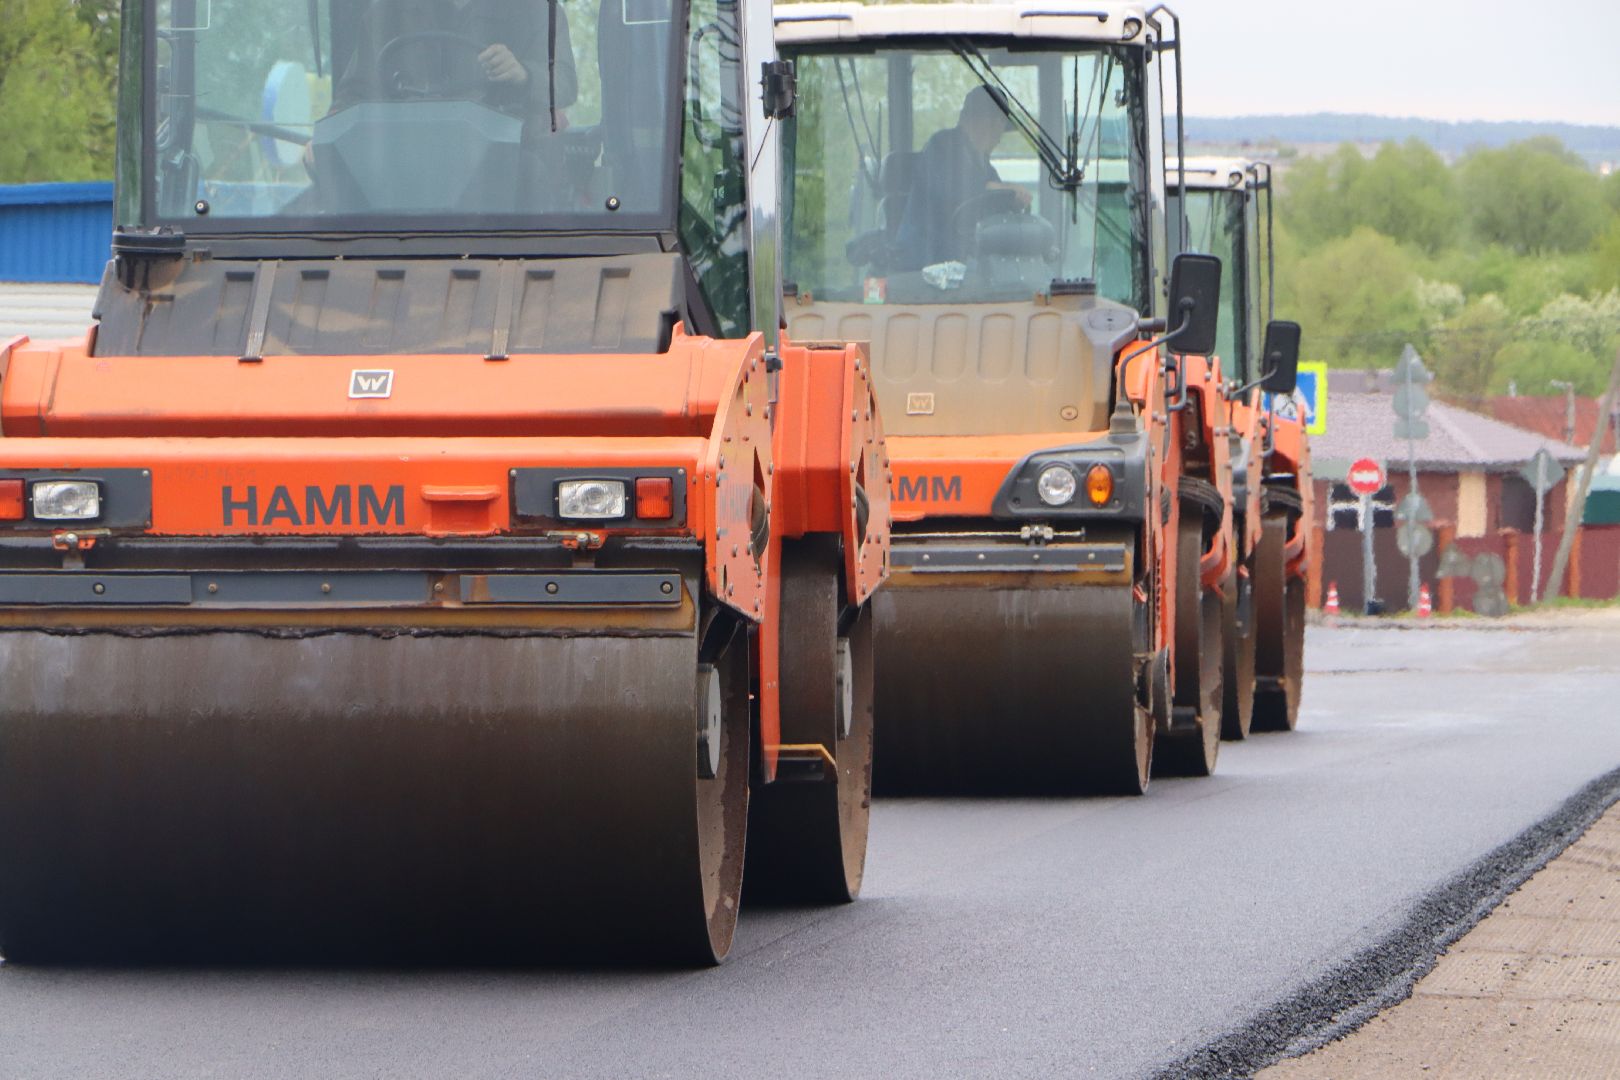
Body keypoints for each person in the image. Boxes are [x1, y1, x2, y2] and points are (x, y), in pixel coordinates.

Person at [332, 0, 577, 121]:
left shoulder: (536, 10)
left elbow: (564, 83)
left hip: (516, 175)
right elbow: (353, 95)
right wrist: (325, 136)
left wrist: (523, 74)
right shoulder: (388, 13)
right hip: (407, 167)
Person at [893, 84, 1032, 271]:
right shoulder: (942, 146)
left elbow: (992, 209)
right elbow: (953, 191)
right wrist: (998, 189)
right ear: (988, 121)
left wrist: (1011, 203)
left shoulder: (984, 166)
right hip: (922, 272)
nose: (999, 138)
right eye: (1001, 125)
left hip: (963, 272)